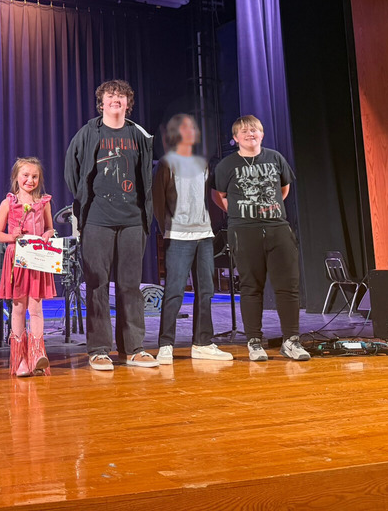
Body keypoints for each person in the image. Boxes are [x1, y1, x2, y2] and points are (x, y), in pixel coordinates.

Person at [64, 79, 158, 371]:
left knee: (130, 285)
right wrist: (85, 202)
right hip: (97, 220)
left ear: (128, 103)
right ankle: (99, 349)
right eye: (110, 95)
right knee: (97, 284)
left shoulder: (138, 134)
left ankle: (133, 348)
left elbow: (146, 176)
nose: (115, 99)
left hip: (132, 220)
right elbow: (72, 171)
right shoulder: (88, 132)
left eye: (121, 96)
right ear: (101, 102)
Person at [211, 115, 310, 362]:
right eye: (244, 132)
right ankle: (254, 342)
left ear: (262, 134)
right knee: (250, 287)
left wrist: (268, 209)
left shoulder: (275, 158)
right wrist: (241, 212)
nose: (250, 134)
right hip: (244, 231)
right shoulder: (226, 165)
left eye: (254, 130)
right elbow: (219, 195)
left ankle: (291, 341)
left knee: (288, 286)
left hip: (277, 227)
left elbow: (284, 189)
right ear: (235, 139)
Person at [152, 114, 234, 365]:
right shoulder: (166, 163)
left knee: (206, 290)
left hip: (204, 235)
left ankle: (203, 342)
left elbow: (212, 194)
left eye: (193, 127)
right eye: (185, 127)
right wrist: (165, 228)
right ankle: (166, 344)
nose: (190, 131)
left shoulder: (204, 163)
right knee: (174, 291)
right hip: (177, 235)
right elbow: (157, 200)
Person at [0, 157, 57, 377]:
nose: (30, 180)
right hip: (17, 260)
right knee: (18, 308)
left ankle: (37, 355)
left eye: (34, 176)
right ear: (16, 178)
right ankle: (19, 359)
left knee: (36, 308)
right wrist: (12, 236)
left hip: (37, 258)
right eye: (26, 176)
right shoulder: (8, 203)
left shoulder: (44, 203)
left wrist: (48, 234)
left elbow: (49, 228)